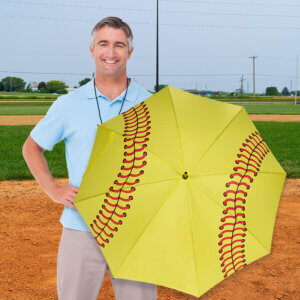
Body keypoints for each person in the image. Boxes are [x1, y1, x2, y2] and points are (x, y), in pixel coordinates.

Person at [22, 16, 157, 300]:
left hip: (134, 229)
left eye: (119, 45)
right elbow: (31, 147)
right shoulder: (69, 103)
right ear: (92, 49)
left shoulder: (151, 104)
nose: (111, 52)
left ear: (129, 52)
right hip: (80, 226)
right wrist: (54, 189)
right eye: (104, 44)